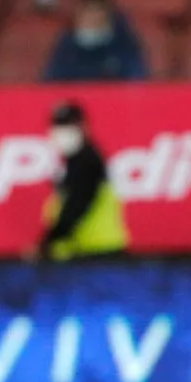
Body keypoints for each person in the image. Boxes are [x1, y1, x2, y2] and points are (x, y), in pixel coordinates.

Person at [26, 101, 129, 262]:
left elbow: (76, 205)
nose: (61, 132)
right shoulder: (74, 161)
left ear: (83, 127)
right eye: (58, 126)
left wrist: (47, 242)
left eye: (67, 126)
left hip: (97, 252)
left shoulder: (87, 161)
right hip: (87, 249)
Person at [43, 0, 149, 82]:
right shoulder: (66, 47)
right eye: (86, 19)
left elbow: (137, 82)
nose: (90, 23)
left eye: (96, 20)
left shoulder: (125, 46)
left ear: (108, 20)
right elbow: (50, 84)